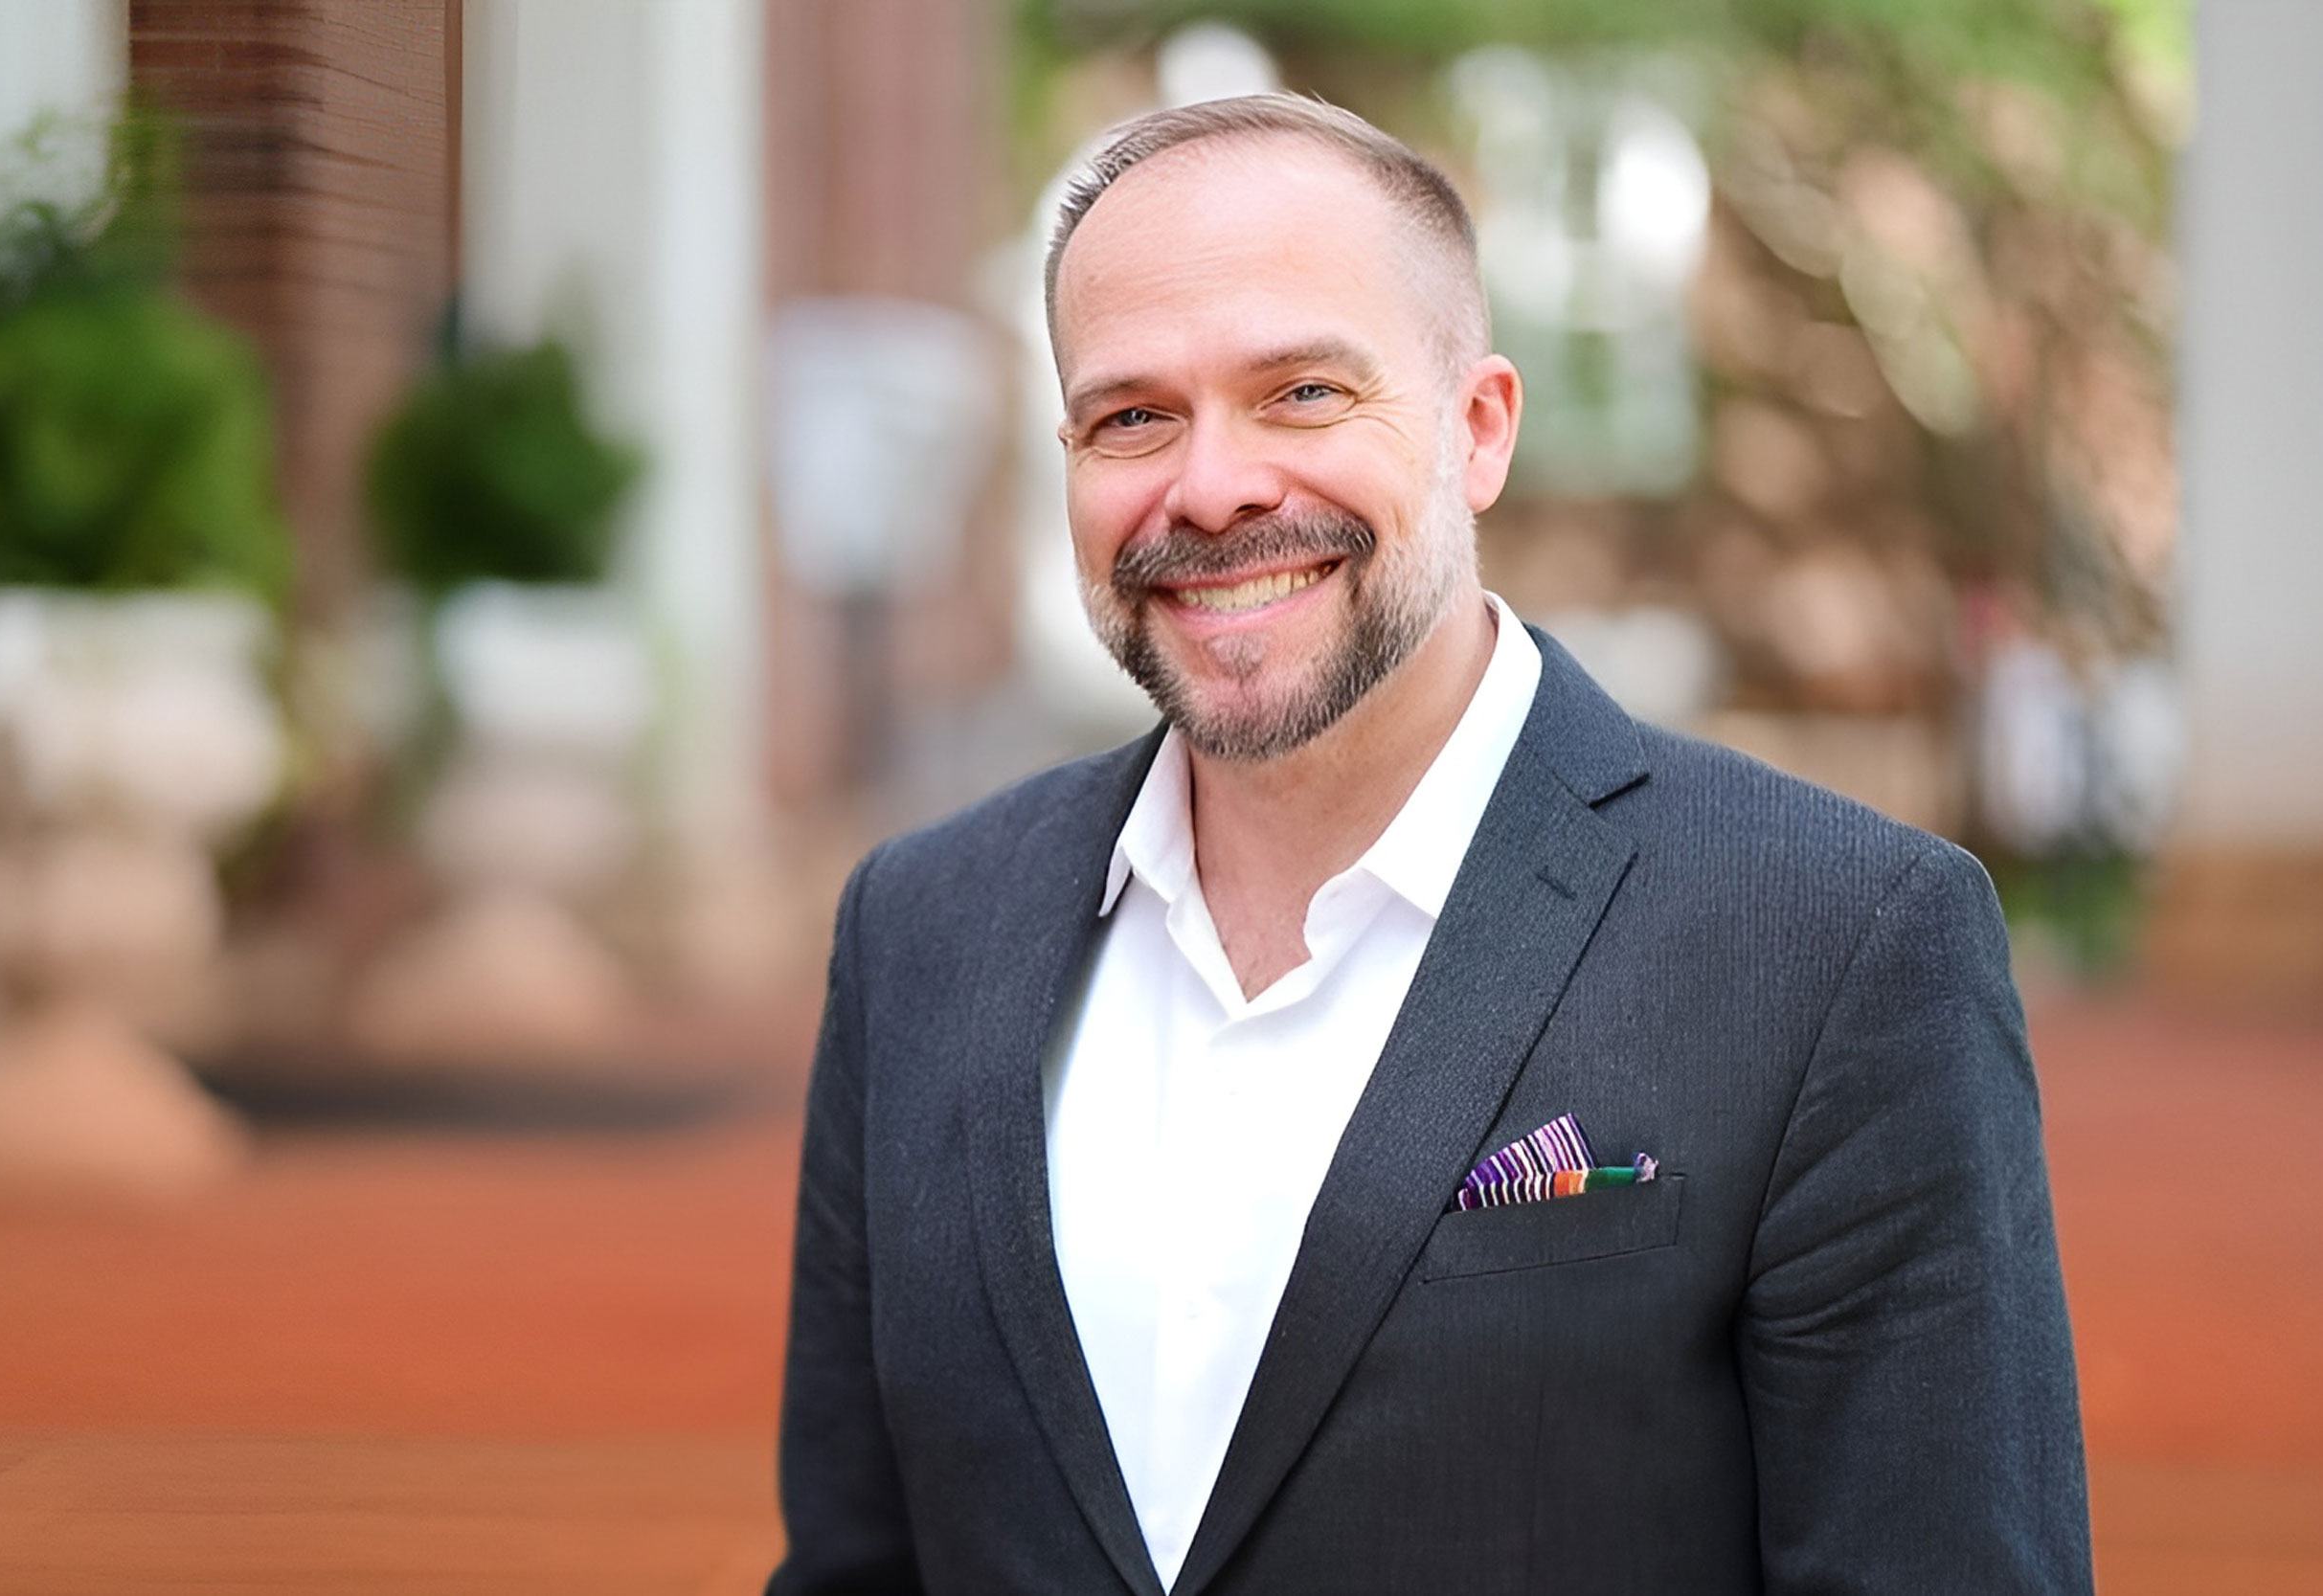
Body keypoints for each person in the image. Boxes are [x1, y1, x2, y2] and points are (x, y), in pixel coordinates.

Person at [769, 95, 2089, 1595]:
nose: (1213, 488)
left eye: (1305, 393)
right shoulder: (919, 932)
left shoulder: (1840, 948)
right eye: (1133, 415)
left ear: (1478, 431)